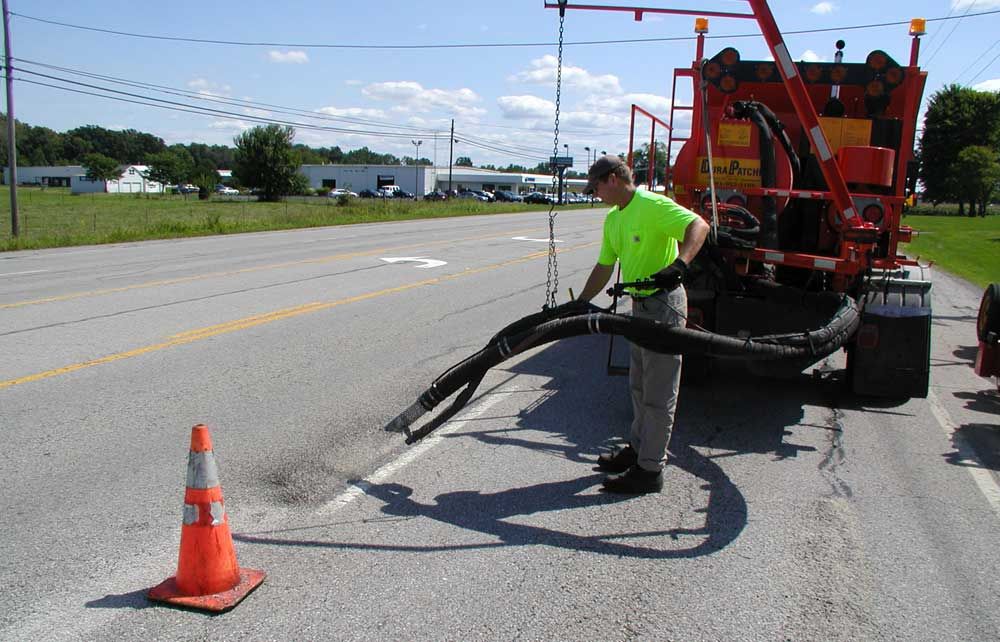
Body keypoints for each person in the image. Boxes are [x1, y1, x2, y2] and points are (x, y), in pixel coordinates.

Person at [576, 155, 710, 494]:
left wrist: (680, 263)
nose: (596, 195)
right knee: (638, 385)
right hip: (639, 308)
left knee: (659, 392)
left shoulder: (652, 205)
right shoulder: (612, 219)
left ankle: (650, 471)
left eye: (596, 188)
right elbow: (605, 266)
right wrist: (579, 302)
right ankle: (638, 450)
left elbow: (699, 226)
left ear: (613, 179)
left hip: (664, 306)